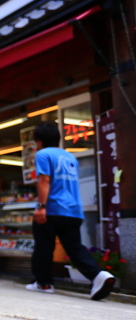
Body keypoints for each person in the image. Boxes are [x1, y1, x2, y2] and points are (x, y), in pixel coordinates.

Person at [27, 122, 115, 300]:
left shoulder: (43, 154)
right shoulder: (70, 157)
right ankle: (98, 275)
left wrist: (41, 206)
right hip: (73, 210)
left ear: (39, 140)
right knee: (75, 248)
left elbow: (44, 180)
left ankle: (44, 283)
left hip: (52, 209)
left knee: (44, 246)